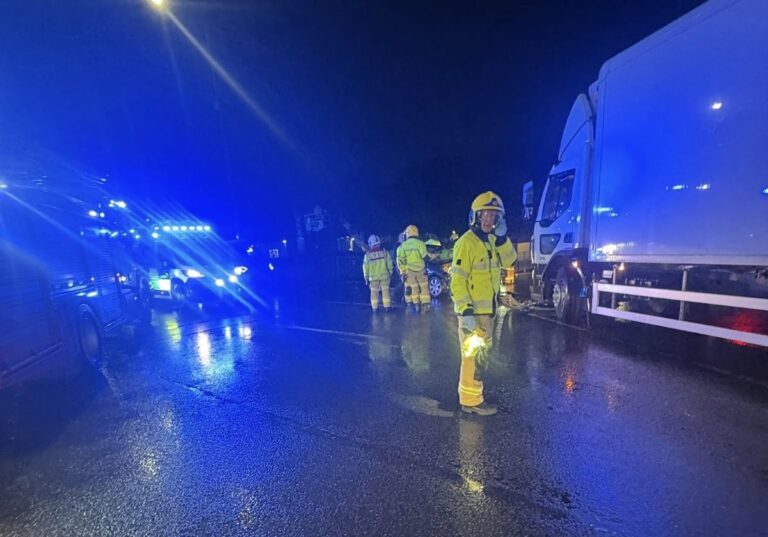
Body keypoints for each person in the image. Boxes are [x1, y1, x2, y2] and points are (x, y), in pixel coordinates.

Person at [450, 191, 517, 416]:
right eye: (485, 215)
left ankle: (474, 395)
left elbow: (510, 261)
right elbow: (457, 280)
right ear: (476, 217)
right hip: (473, 314)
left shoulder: (493, 242)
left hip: (488, 313)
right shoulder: (465, 243)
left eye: (494, 216)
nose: (489, 220)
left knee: (480, 357)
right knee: (471, 356)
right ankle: (470, 401)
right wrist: (465, 310)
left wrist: (501, 239)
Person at [396, 225, 431, 312]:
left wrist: (402, 271)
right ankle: (425, 303)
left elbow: (400, 261)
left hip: (409, 270)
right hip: (421, 269)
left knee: (414, 287)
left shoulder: (403, 246)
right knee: (424, 286)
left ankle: (416, 304)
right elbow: (425, 257)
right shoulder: (420, 244)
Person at [363, 234, 393, 312]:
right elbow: (389, 263)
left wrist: (366, 277)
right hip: (385, 276)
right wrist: (390, 272)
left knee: (374, 293)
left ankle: (375, 309)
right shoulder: (385, 252)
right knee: (385, 292)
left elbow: (365, 267)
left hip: (373, 278)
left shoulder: (367, 255)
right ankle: (387, 307)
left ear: (370, 243)